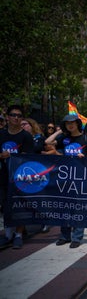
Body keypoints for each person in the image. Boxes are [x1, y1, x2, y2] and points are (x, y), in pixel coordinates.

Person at [45, 114, 87, 249]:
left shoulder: (86, 139)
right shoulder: (63, 138)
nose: (70, 125)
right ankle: (64, 236)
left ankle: (77, 237)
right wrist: (59, 131)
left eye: (72, 122)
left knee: (79, 207)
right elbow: (48, 142)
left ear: (78, 123)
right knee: (63, 207)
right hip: (64, 176)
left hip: (80, 177)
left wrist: (84, 158)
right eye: (67, 123)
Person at [0, 105, 34, 249]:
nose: (16, 118)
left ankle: (19, 235)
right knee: (5, 205)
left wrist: (12, 155)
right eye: (13, 115)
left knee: (20, 205)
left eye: (19, 116)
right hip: (3, 175)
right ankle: (8, 235)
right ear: (7, 117)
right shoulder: (1, 134)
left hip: (20, 177)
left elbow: (29, 157)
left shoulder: (26, 136)